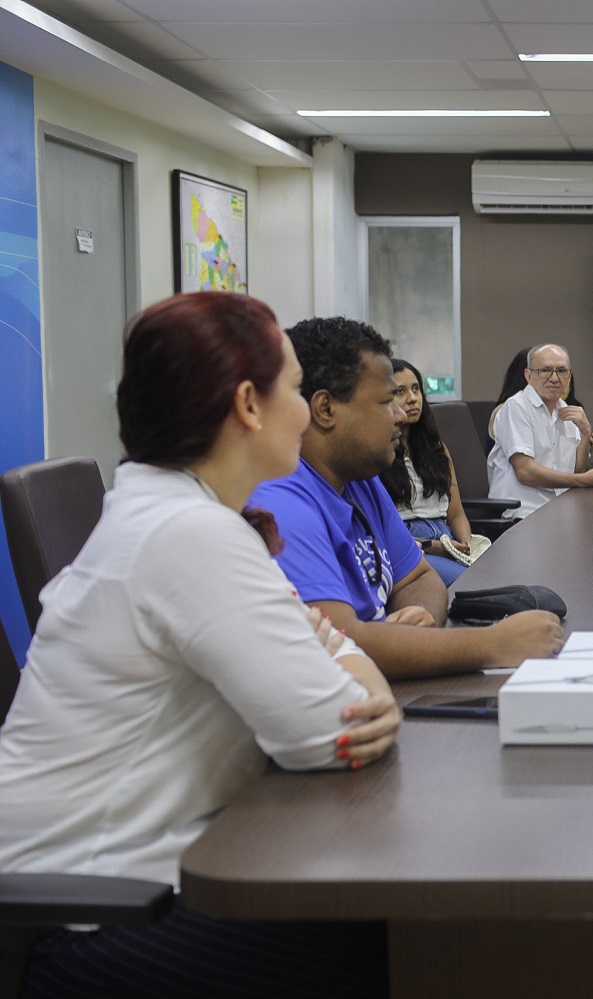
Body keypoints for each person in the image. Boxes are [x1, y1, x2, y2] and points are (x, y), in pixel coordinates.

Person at [0, 292, 400, 996]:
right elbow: (333, 736)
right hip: (99, 919)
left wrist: (331, 651)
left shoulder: (178, 511)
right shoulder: (190, 534)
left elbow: (322, 653)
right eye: (292, 387)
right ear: (249, 404)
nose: (306, 409)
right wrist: (359, 670)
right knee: (412, 946)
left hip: (131, 879)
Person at [250, 317, 564, 678]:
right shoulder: (280, 503)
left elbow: (417, 578)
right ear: (326, 410)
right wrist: (494, 644)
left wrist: (421, 621)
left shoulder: (360, 481)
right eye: (387, 401)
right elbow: (339, 643)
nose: (400, 415)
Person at [486, 343, 593, 517]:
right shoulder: (516, 407)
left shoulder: (566, 410)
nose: (554, 378)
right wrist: (584, 480)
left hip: (558, 509)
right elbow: (525, 471)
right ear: (528, 375)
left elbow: (576, 470)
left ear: (569, 377)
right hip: (522, 513)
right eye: (545, 370)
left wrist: (585, 433)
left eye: (561, 371)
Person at [378, 358, 472, 586]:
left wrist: (466, 543)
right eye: (400, 391)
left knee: (491, 575)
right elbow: (382, 530)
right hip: (411, 543)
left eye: (416, 389)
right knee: (468, 583)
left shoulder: (436, 448)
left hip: (447, 536)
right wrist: (437, 546)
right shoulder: (378, 453)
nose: (412, 398)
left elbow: (456, 514)